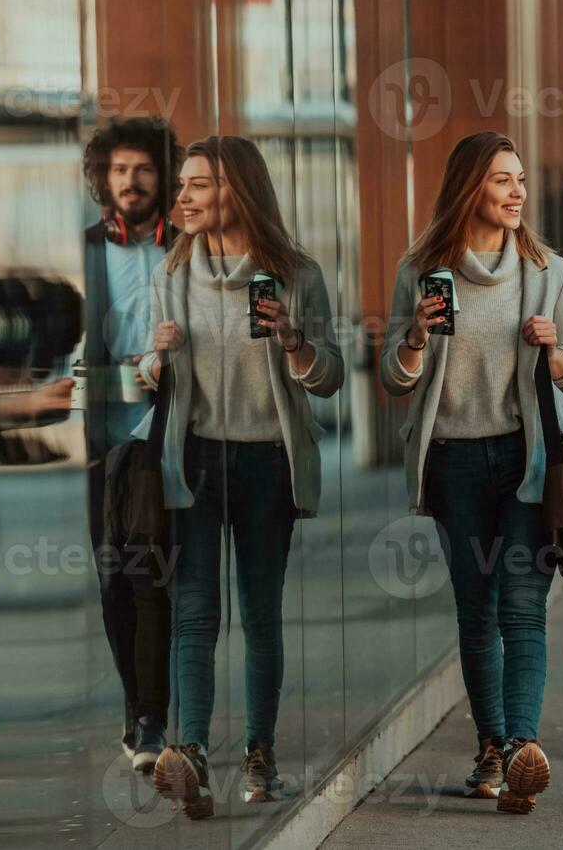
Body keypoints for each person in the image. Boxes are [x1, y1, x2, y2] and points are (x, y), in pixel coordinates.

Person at [380, 131, 563, 815]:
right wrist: (414, 335)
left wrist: (554, 350)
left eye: (521, 179)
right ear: (471, 187)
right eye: (503, 180)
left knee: (523, 608)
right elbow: (393, 376)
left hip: (527, 459)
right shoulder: (422, 270)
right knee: (477, 613)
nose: (518, 192)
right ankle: (492, 747)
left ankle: (525, 749)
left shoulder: (547, 271)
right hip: (454, 462)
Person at [140, 136, 344, 817]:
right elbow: (147, 376)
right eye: (185, 186)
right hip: (195, 459)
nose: (184, 198)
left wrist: (293, 338)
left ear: (238, 192)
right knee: (195, 613)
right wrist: (152, 360)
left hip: (266, 463)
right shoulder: (172, 275)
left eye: (199, 185)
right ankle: (192, 753)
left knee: (260, 615)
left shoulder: (295, 273)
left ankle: (260, 752)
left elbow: (331, 377)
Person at [80, 117, 182, 773]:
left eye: (143, 169)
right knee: (112, 579)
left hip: (160, 435)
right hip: (98, 437)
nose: (131, 181)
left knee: (152, 579)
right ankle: (133, 700)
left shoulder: (188, 247)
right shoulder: (86, 247)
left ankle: (153, 719)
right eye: (119, 170)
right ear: (103, 179)